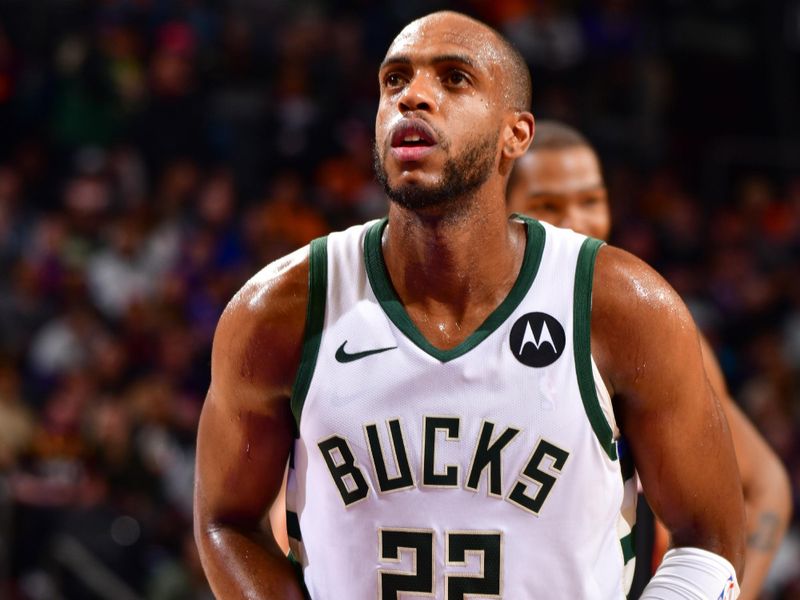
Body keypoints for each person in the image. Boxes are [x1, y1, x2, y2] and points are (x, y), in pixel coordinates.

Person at [194, 11, 746, 599]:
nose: (414, 97)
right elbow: (226, 522)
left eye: (454, 79)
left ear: (517, 134)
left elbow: (710, 541)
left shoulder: (619, 305)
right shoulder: (280, 308)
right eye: (394, 81)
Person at [507, 120, 792, 599]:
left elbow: (765, 484)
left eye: (591, 200)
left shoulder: (642, 327)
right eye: (548, 205)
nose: (578, 220)